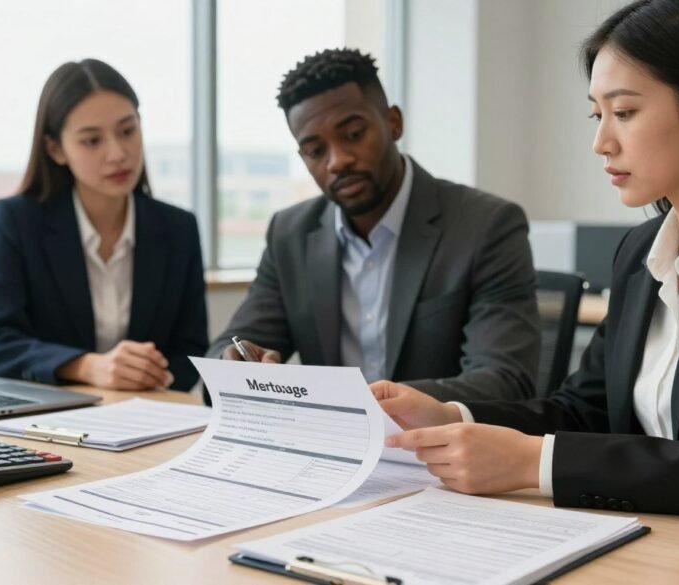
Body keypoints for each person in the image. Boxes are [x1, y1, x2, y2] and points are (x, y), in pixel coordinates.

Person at [374, 0, 679, 522]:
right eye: (598, 114)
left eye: (625, 112)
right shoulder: (641, 253)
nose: (600, 142)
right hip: (669, 541)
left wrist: (534, 462)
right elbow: (586, 411)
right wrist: (452, 415)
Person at [207, 48, 541, 402]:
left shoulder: (486, 226)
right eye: (316, 151)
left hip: (437, 448)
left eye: (353, 134)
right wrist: (236, 367)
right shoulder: (290, 233)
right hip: (331, 448)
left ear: (394, 123)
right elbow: (228, 349)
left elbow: (505, 380)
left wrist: (361, 405)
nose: (338, 161)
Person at [0, 59, 208, 392]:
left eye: (128, 131)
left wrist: (152, 376)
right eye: (92, 141)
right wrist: (87, 366)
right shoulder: (17, 221)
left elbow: (191, 349)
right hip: (50, 419)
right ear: (56, 149)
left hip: (148, 415)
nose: (117, 153)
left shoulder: (178, 228)